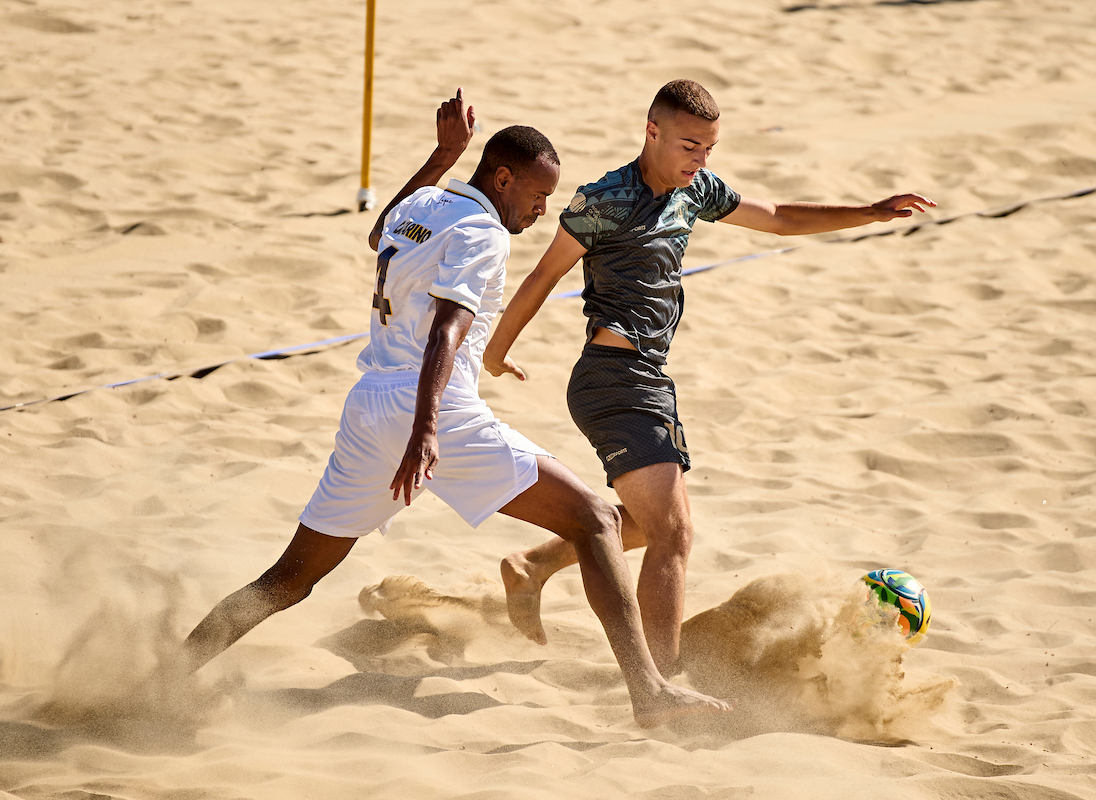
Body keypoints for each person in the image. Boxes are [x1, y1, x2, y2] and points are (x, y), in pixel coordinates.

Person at [181, 90, 731, 728]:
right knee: (595, 522)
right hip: (432, 408)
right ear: (503, 179)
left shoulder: (423, 203)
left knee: (288, 579)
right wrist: (425, 433)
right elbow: (446, 329)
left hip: (367, 409)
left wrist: (443, 154)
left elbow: (377, 228)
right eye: (536, 194)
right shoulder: (484, 233)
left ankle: (164, 674)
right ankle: (650, 691)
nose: (541, 209)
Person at [483, 79, 936, 676]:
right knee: (675, 536)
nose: (699, 160)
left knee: (648, 525)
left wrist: (869, 211)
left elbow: (776, 217)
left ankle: (534, 566)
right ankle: (663, 683)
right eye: (689, 145)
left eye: (709, 149)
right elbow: (542, 277)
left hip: (649, 380)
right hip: (612, 379)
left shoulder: (695, 190)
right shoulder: (604, 201)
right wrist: (495, 352)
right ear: (652, 133)